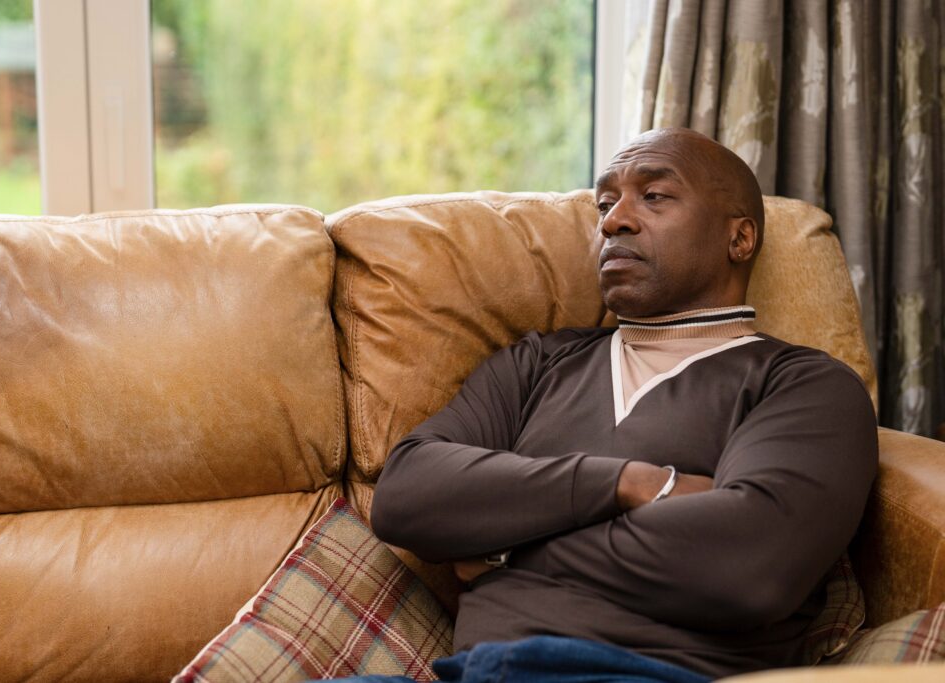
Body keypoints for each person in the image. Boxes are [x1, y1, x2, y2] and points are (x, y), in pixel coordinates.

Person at [328, 128, 878, 682]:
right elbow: (406, 493)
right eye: (606, 203)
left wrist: (506, 553)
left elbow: (749, 567)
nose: (614, 220)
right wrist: (634, 484)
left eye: (654, 196)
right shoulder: (538, 362)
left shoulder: (803, 385)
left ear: (739, 239)